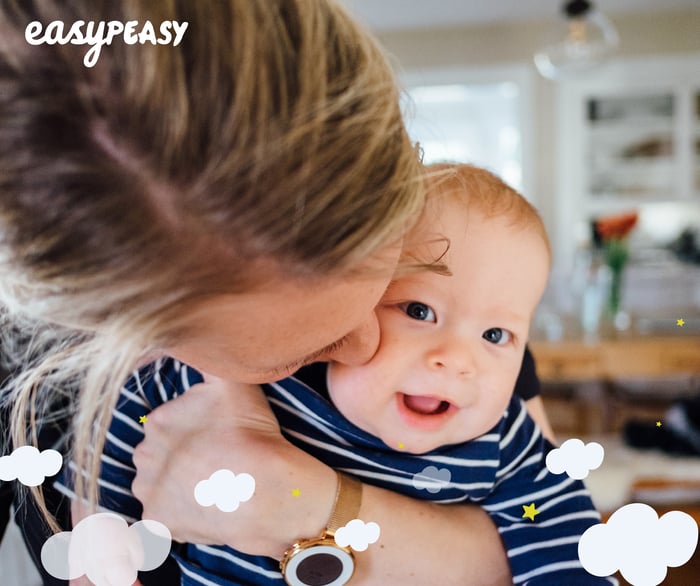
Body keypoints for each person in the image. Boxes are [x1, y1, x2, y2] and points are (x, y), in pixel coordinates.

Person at [0, 1, 551, 584]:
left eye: (390, 285)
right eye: (305, 350)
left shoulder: (455, 322)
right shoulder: (85, 395)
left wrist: (309, 504)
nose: (371, 342)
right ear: (132, 338)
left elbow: (541, 537)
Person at [61, 164, 611, 585]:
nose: (458, 358)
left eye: (497, 336)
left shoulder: (502, 440)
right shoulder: (260, 372)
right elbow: (114, 447)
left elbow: (565, 536)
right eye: (419, 311)